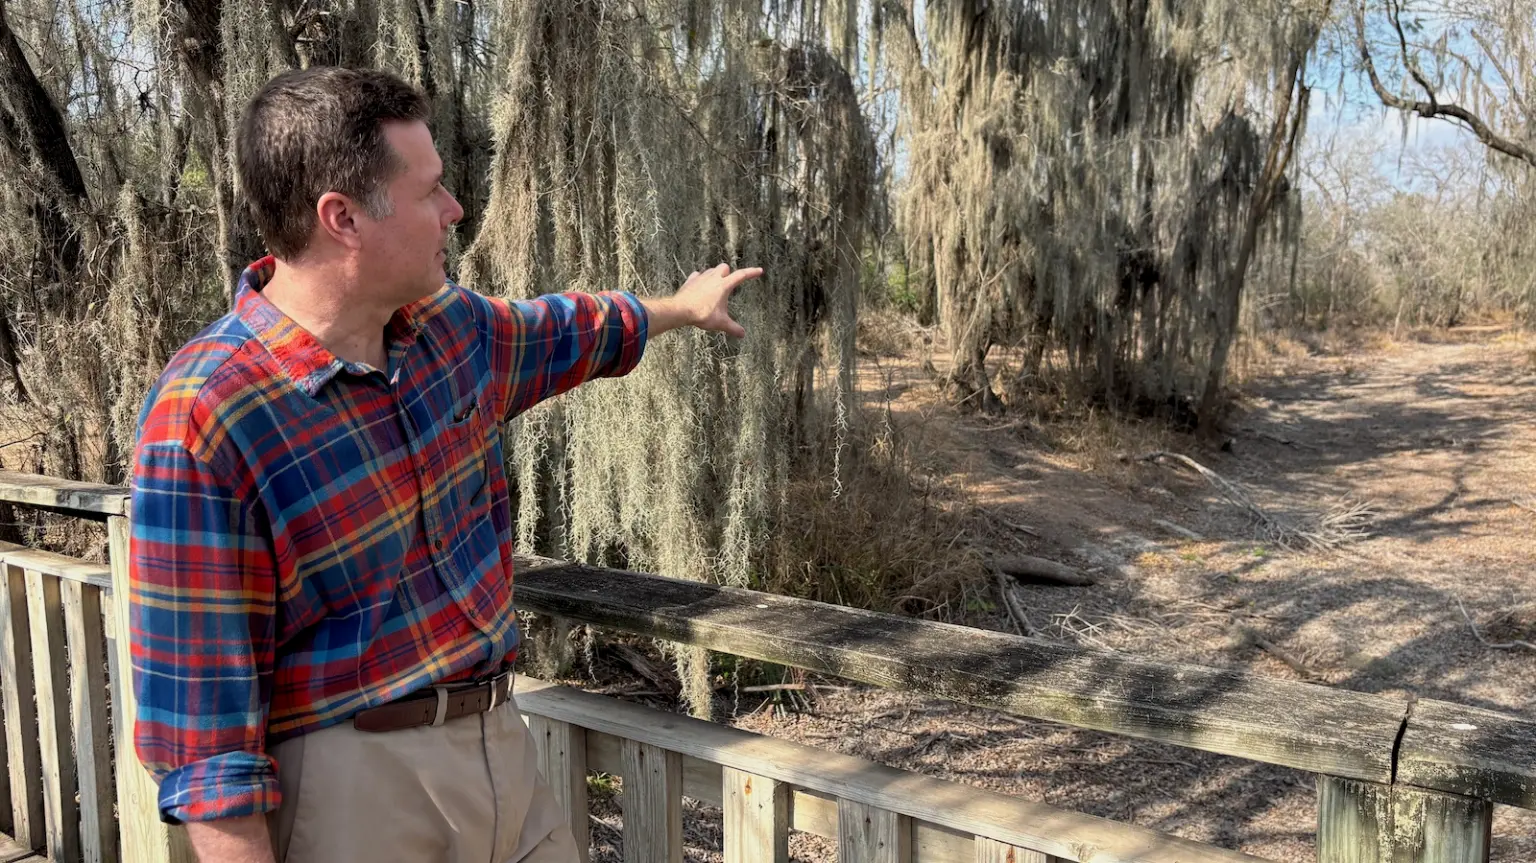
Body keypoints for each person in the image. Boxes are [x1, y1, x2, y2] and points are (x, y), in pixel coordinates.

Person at [127, 66, 760, 863]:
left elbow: (569, 330)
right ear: (343, 217)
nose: (454, 211)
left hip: (501, 747)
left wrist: (679, 308)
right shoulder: (208, 417)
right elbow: (203, 739)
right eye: (430, 192)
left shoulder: (448, 332)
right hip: (353, 786)